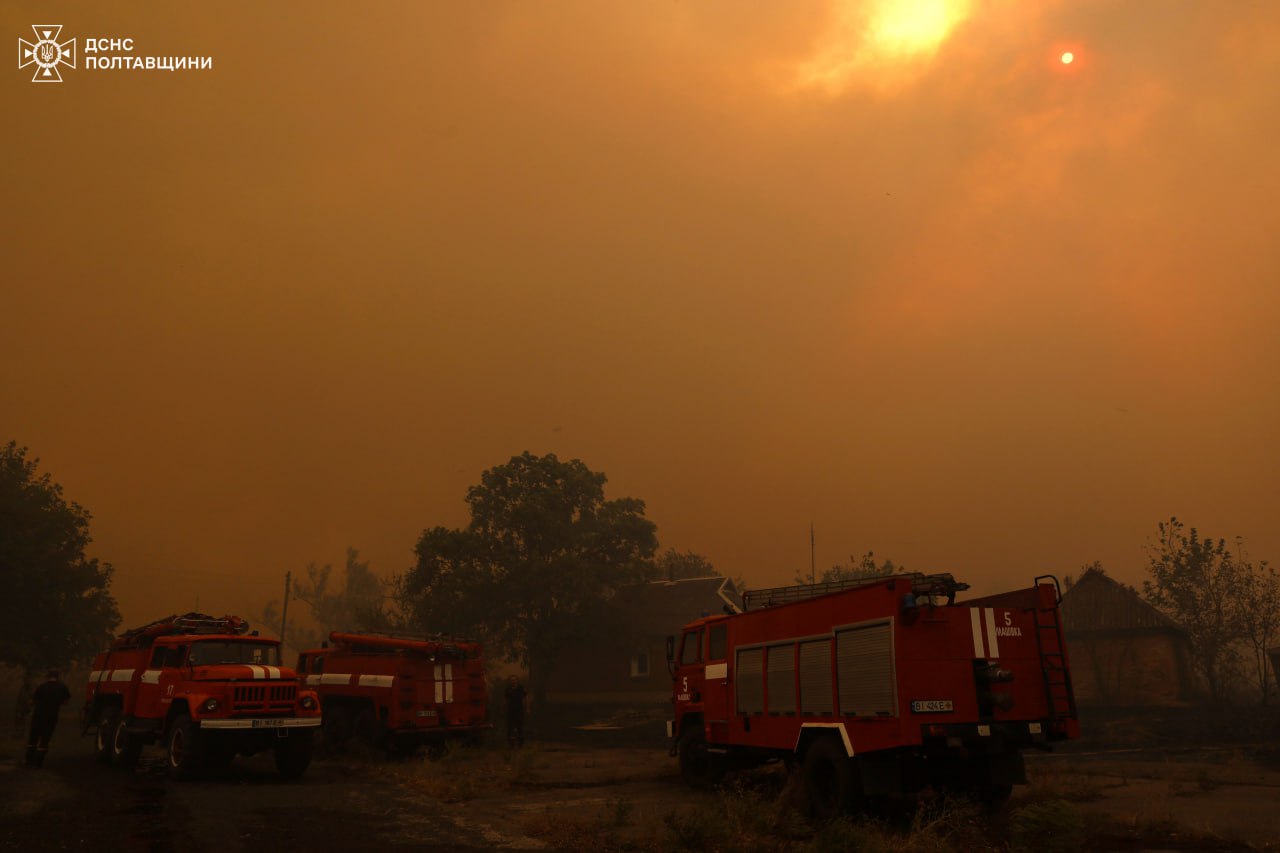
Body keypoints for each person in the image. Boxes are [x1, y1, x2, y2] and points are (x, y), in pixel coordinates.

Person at [25, 669, 71, 768]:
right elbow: (66, 702)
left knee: (33, 738)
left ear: (47, 676)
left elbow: (32, 701)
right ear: (57, 676)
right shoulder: (62, 687)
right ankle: (38, 763)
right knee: (45, 739)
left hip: (37, 716)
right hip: (51, 717)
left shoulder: (41, 687)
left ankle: (29, 761)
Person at [504, 675, 528, 748]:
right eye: (512, 680)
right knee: (510, 727)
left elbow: (526, 697)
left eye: (514, 680)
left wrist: (527, 708)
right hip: (510, 711)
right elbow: (505, 699)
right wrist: (504, 708)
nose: (513, 681)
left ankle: (520, 744)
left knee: (520, 727)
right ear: (510, 681)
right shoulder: (508, 689)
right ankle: (511, 744)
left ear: (517, 681)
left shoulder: (521, 688)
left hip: (519, 710)